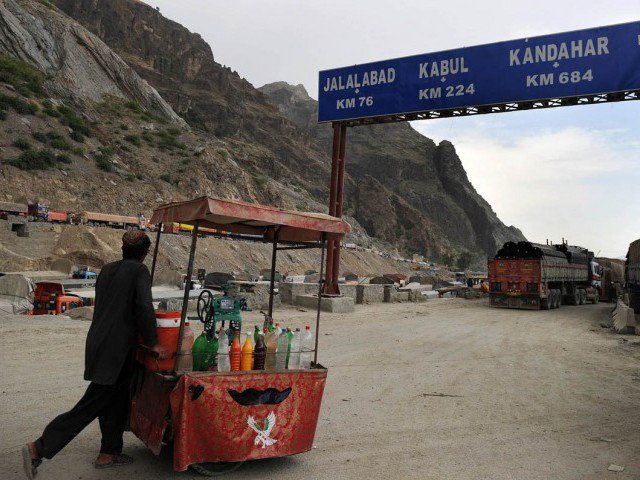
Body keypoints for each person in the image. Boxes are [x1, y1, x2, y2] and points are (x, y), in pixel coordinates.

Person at [22, 231, 168, 479]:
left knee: (116, 399)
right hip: (117, 350)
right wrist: (154, 342)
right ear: (144, 254)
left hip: (99, 343)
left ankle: (108, 452)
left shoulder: (108, 270)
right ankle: (39, 447)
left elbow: (115, 307)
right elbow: (144, 306)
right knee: (92, 403)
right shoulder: (139, 271)